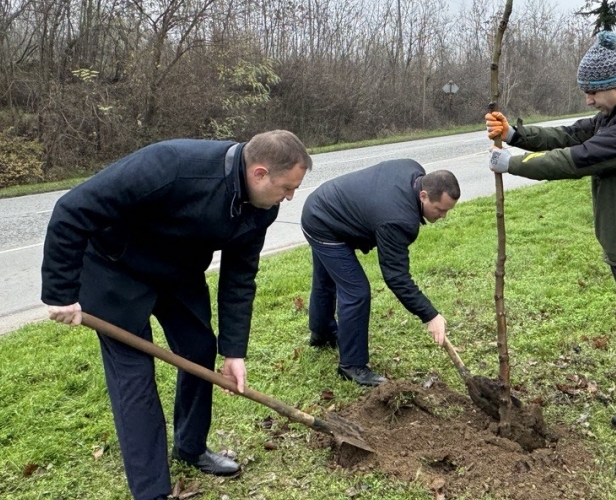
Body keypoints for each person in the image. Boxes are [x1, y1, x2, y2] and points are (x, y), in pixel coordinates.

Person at [41, 130, 311, 500]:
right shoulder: (171, 165)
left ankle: (190, 445)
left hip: (177, 271)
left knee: (199, 347)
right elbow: (72, 210)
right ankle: (152, 490)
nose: (290, 197)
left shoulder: (262, 207)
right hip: (115, 269)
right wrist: (60, 293)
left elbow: (239, 277)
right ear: (259, 173)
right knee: (134, 376)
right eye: (287, 187)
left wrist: (234, 352)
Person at [485, 31, 616, 483]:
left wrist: (512, 166)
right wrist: (516, 135)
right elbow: (573, 133)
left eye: (593, 91)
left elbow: (582, 157)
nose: (589, 100)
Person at [300, 159, 457, 386]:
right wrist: (430, 315)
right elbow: (396, 276)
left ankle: (322, 333)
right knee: (356, 291)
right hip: (323, 222)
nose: (444, 216)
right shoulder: (399, 219)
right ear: (423, 195)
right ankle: (352, 366)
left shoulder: (413, 170)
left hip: (325, 204)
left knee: (327, 278)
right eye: (440, 209)